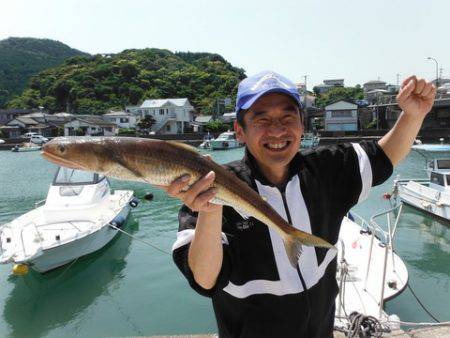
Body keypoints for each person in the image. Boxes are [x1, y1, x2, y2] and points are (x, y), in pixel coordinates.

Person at [168, 70, 436, 338]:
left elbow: (383, 156)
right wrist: (211, 208)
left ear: (302, 124)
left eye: (288, 117)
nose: (277, 130)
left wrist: (413, 114)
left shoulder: (327, 169)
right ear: (240, 131)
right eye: (262, 119)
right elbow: (205, 279)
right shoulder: (209, 187)